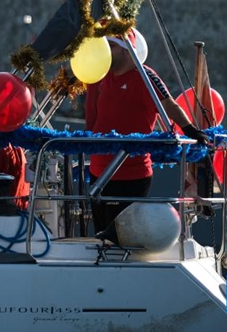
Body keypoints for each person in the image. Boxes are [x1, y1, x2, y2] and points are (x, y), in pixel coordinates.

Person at [84, 28, 208, 234]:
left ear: (126, 50)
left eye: (111, 46)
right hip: (99, 170)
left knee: (122, 235)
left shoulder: (145, 75)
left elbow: (169, 105)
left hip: (132, 174)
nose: (105, 51)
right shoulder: (100, 75)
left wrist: (190, 130)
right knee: (100, 235)